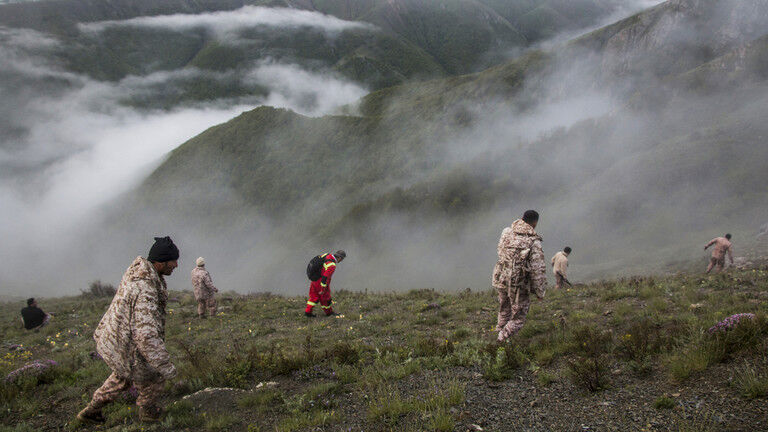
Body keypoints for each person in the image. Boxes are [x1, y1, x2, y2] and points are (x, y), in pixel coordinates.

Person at [77, 236, 179, 424]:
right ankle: (148, 412)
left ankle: (92, 410)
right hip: (128, 344)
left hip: (116, 340)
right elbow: (145, 335)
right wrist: (166, 366)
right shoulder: (145, 289)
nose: (176, 265)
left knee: (122, 377)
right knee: (154, 375)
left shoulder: (138, 274)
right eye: (172, 260)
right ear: (159, 262)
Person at [491, 210, 547, 343]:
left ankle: (499, 330)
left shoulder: (506, 232)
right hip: (518, 283)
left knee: (504, 308)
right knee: (518, 317)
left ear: (522, 218)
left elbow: (500, 251)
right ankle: (500, 341)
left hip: (501, 278)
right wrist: (540, 291)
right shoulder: (533, 241)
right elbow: (537, 269)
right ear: (535, 223)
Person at [305, 250, 346, 317]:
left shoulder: (327, 255)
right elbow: (325, 278)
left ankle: (308, 312)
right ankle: (329, 313)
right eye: (342, 259)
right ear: (340, 258)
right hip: (320, 282)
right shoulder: (332, 265)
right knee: (325, 298)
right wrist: (323, 289)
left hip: (315, 279)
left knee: (313, 296)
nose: (341, 261)